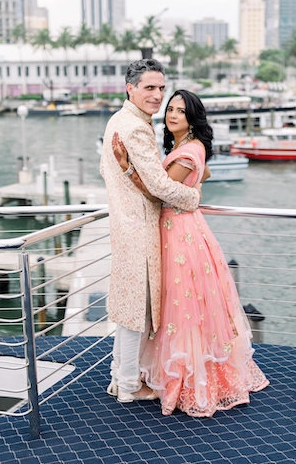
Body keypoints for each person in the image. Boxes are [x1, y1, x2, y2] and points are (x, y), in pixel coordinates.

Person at [113, 89, 269, 417]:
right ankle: (180, 370)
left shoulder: (189, 150)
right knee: (187, 307)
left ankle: (185, 378)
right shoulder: (189, 148)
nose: (172, 115)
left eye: (180, 112)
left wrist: (128, 169)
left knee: (180, 306)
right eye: (170, 109)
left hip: (179, 234)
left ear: (192, 118)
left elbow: (160, 193)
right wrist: (194, 187)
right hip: (186, 229)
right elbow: (203, 174)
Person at [99, 59, 202, 404]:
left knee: (131, 308)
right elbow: (160, 185)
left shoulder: (119, 120)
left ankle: (120, 377)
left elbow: (107, 170)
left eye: (161, 88)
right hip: (139, 229)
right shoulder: (137, 128)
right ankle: (128, 385)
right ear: (131, 88)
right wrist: (193, 196)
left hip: (125, 225)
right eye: (150, 88)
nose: (158, 95)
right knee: (136, 314)